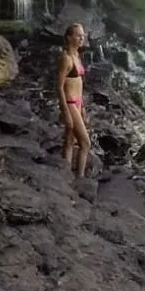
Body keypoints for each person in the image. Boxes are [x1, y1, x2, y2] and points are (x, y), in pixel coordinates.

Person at [57, 22, 91, 178]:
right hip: (70, 104)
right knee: (85, 143)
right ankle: (80, 178)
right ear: (69, 37)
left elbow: (79, 83)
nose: (81, 39)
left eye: (83, 36)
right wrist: (66, 113)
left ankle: (66, 176)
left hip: (77, 103)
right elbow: (59, 87)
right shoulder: (66, 58)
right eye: (78, 36)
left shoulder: (77, 55)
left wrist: (82, 106)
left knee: (70, 142)